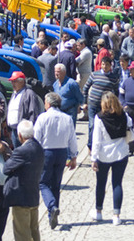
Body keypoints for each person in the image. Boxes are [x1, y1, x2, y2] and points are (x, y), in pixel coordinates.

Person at [33, 92, 79, 229]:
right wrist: (74, 156)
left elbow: (36, 138)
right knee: (56, 184)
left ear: (48, 103)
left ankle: (52, 206)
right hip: (61, 152)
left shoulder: (43, 118)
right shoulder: (67, 118)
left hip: (47, 152)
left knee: (43, 183)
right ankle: (53, 215)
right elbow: (72, 138)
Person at [91, 92, 131, 225]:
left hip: (104, 155)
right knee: (117, 183)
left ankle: (98, 212)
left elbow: (96, 140)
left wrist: (93, 158)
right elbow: (130, 125)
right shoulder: (124, 115)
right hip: (121, 153)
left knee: (101, 183)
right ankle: (116, 215)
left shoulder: (100, 118)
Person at [3, 120, 45, 241]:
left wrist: (6, 151)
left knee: (22, 234)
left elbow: (6, 168)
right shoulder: (38, 147)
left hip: (21, 199)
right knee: (34, 231)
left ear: (20, 135)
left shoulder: (21, 151)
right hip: (33, 196)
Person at [84, 56, 120, 147]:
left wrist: (115, 104)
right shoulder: (94, 75)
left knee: (103, 126)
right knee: (92, 125)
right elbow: (85, 88)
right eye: (103, 64)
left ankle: (101, 144)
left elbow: (116, 92)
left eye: (107, 65)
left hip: (105, 106)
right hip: (93, 103)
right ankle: (90, 145)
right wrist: (84, 102)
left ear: (110, 66)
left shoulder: (113, 78)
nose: (105, 66)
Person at [6, 72, 43, 148]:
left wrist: (28, 131)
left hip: (23, 132)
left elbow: (34, 113)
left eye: (15, 81)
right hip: (14, 131)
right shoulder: (14, 93)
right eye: (12, 81)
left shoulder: (29, 94)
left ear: (22, 81)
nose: (12, 84)